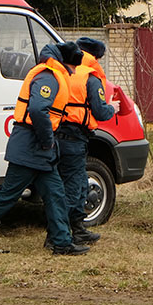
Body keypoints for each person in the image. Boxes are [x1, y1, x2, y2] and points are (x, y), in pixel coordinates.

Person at [0, 42, 90, 256]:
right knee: (7, 196)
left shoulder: (53, 73)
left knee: (56, 194)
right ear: (66, 64)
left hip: (38, 149)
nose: (74, 73)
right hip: (31, 146)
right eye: (73, 68)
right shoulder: (49, 76)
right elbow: (37, 109)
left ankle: (61, 243)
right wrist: (47, 140)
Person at [54, 37, 115, 246]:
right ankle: (64, 235)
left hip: (56, 135)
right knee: (77, 186)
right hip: (75, 137)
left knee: (59, 186)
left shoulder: (62, 70)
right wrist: (112, 108)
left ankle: (73, 230)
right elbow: (99, 110)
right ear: (96, 56)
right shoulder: (90, 77)